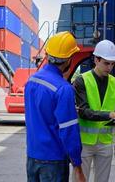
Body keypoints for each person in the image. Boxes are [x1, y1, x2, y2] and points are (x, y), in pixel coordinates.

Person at [24, 31, 85, 182]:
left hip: (32, 156)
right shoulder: (63, 88)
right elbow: (68, 130)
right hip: (54, 160)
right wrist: (77, 165)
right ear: (69, 59)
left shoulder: (31, 81)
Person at [73, 40, 115, 182]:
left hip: (105, 142)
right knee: (79, 180)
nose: (110, 67)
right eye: (106, 63)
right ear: (96, 59)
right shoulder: (81, 80)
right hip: (84, 142)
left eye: (112, 64)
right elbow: (84, 111)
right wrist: (110, 114)